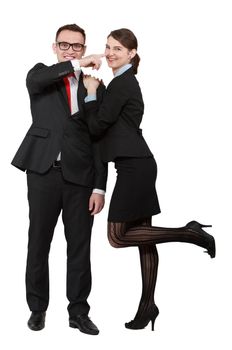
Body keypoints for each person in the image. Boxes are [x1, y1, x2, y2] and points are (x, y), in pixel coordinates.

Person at [82, 28, 216, 331]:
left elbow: (97, 126)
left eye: (119, 49)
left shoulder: (123, 83)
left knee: (117, 237)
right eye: (108, 47)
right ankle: (148, 306)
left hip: (135, 168)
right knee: (144, 238)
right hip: (137, 164)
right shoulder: (121, 83)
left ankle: (190, 232)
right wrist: (98, 86)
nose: (111, 53)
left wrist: (90, 93)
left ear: (132, 54)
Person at [11, 24, 108, 336]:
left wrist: (99, 185)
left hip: (80, 178)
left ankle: (78, 312)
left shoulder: (94, 84)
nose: (70, 49)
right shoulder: (41, 75)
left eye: (77, 46)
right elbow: (36, 79)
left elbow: (100, 139)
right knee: (38, 243)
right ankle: (37, 309)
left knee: (79, 247)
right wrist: (76, 64)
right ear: (55, 47)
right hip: (43, 172)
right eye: (64, 45)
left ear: (83, 47)